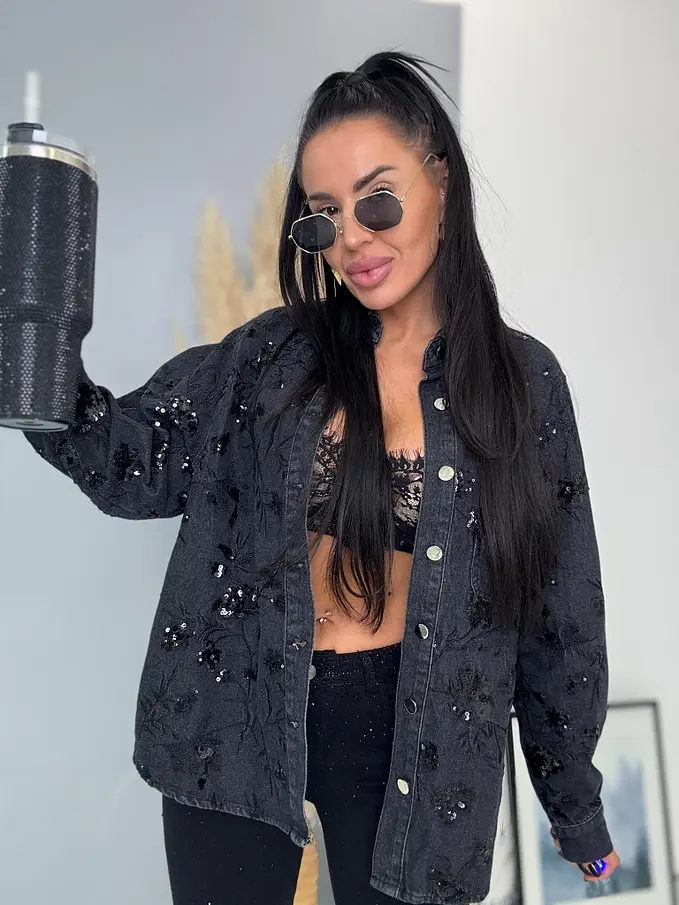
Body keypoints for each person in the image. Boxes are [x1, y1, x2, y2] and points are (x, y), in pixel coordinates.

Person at [23, 51, 619, 905]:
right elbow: (134, 464)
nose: (352, 241)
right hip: (234, 707)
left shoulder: (523, 385)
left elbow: (560, 610)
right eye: (322, 217)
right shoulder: (268, 355)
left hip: (416, 738)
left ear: (440, 181)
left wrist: (575, 807)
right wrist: (33, 356)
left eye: (377, 201)